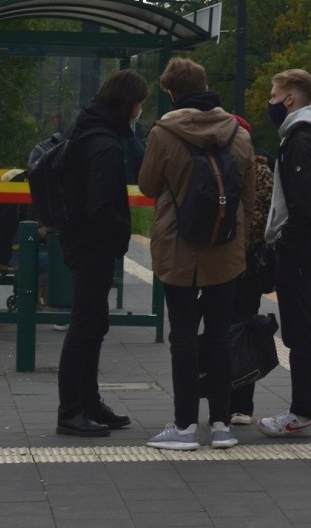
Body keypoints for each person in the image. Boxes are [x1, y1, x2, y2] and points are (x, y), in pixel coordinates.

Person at [139, 58, 255, 450]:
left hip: (179, 249)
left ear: (172, 93)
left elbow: (148, 184)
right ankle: (221, 425)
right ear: (205, 84)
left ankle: (185, 426)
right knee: (220, 335)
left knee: (184, 337)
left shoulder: (163, 132)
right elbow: (251, 196)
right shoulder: (238, 134)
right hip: (225, 249)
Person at [56, 69, 148, 437]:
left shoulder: (86, 130)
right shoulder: (106, 146)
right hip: (93, 246)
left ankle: (89, 402)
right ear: (129, 105)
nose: (141, 110)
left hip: (78, 242)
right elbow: (101, 206)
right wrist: (121, 231)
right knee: (84, 326)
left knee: (94, 323)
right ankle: (71, 410)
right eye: (140, 103)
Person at [257, 68, 311, 437]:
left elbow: (302, 207)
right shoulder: (305, 136)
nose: (269, 103)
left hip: (299, 254)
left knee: (300, 333)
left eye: (273, 95)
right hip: (305, 251)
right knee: (307, 331)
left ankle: (302, 414)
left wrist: (284, 249)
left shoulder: (300, 141)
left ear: (290, 98)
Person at [229, 136, 275, 426]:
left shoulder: (258, 173)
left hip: (240, 268)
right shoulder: (254, 171)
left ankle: (239, 403)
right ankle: (235, 403)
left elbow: (258, 223)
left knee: (237, 330)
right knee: (234, 330)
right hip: (237, 267)